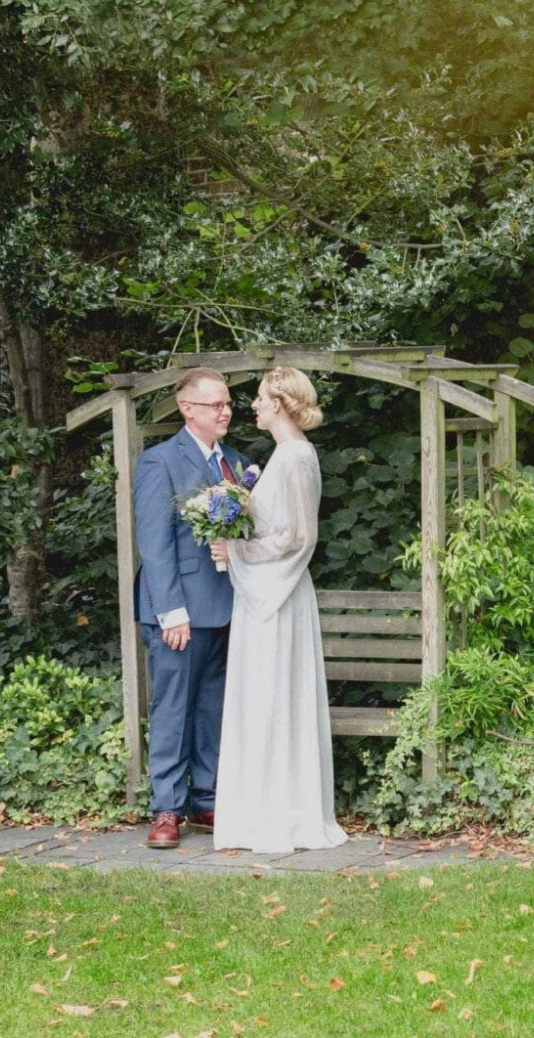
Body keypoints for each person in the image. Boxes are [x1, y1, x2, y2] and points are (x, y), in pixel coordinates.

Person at [208, 366, 347, 854]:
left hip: (276, 597)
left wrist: (236, 551)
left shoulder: (292, 458)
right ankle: (266, 813)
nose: (254, 406)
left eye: (263, 398)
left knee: (273, 696)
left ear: (283, 404)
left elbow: (297, 537)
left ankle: (280, 819)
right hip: (272, 592)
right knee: (266, 697)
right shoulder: (289, 455)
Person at [132, 367, 255, 850]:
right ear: (188, 409)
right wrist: (171, 612)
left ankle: (206, 798)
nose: (226, 412)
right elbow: (155, 543)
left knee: (213, 709)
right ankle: (166, 807)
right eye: (216, 405)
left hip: (228, 607)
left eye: (228, 404)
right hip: (179, 613)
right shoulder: (160, 462)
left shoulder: (237, 464)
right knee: (172, 710)